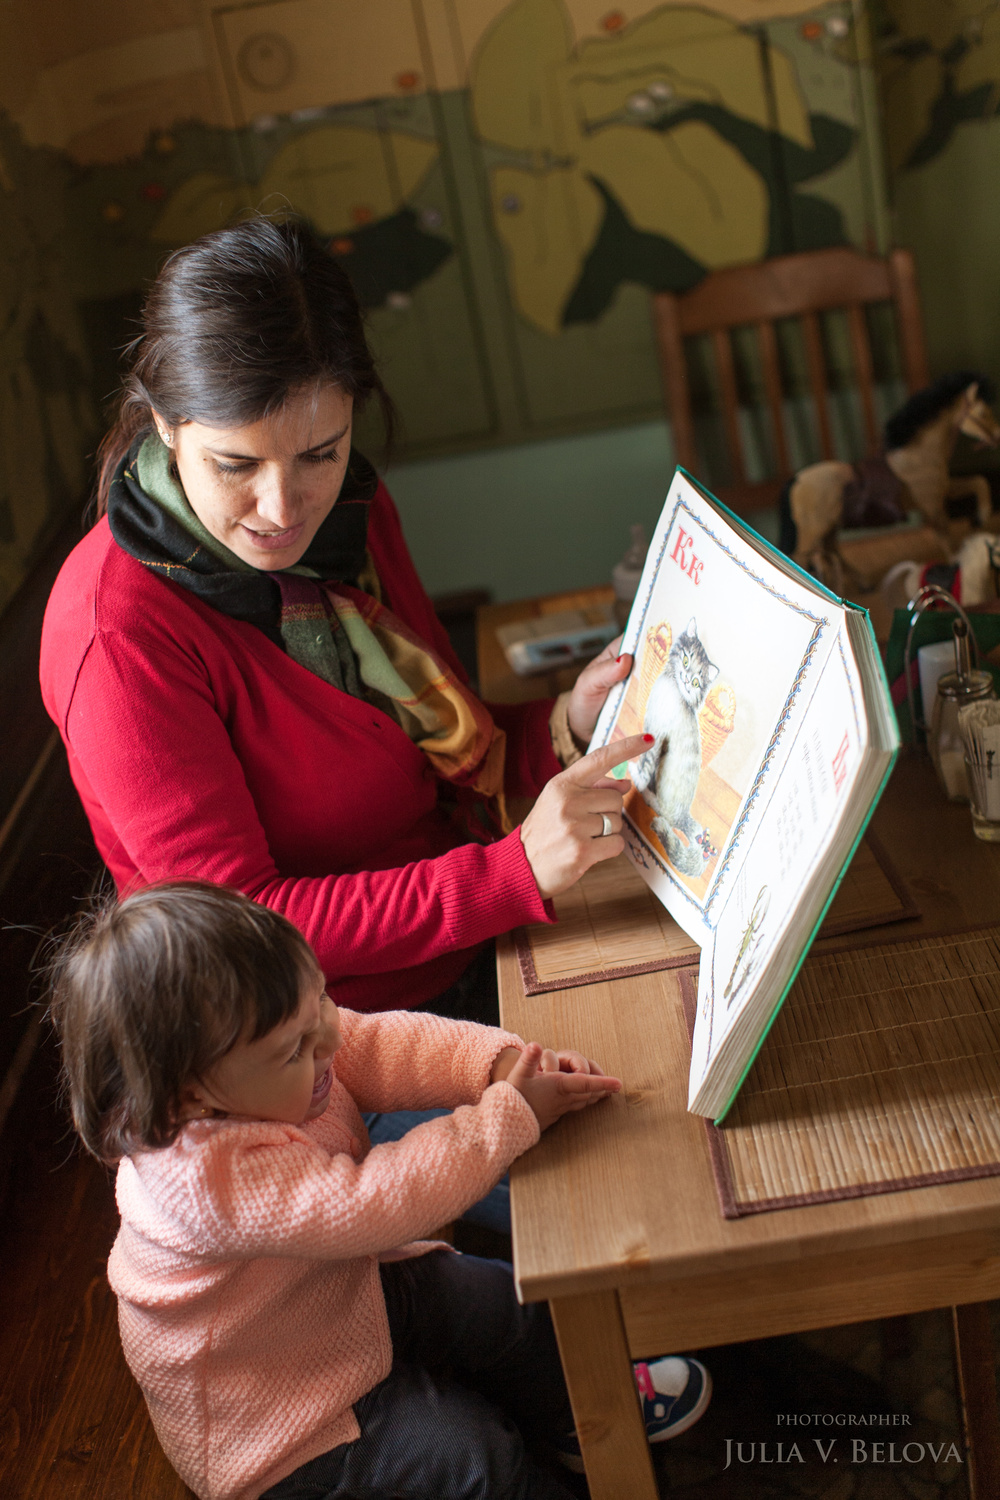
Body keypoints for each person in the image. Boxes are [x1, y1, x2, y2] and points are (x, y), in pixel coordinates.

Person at [39, 214, 646, 1025]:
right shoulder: (117, 635)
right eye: (236, 465)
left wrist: (565, 723)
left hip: (481, 948)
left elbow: (433, 750)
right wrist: (510, 874)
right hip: (314, 1045)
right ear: (164, 425)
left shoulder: (349, 517)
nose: (283, 510)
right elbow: (245, 923)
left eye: (319, 453)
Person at [49, 882, 712, 1500]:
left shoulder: (285, 1055)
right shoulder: (205, 1177)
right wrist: (508, 1115)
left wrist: (497, 1064)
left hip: (329, 1298)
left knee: (509, 1306)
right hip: (281, 1419)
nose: (331, 1040)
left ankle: (589, 1416)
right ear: (193, 1096)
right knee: (477, 1458)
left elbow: (379, 1043)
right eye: (295, 1049)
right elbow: (375, 1204)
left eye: (323, 1004)